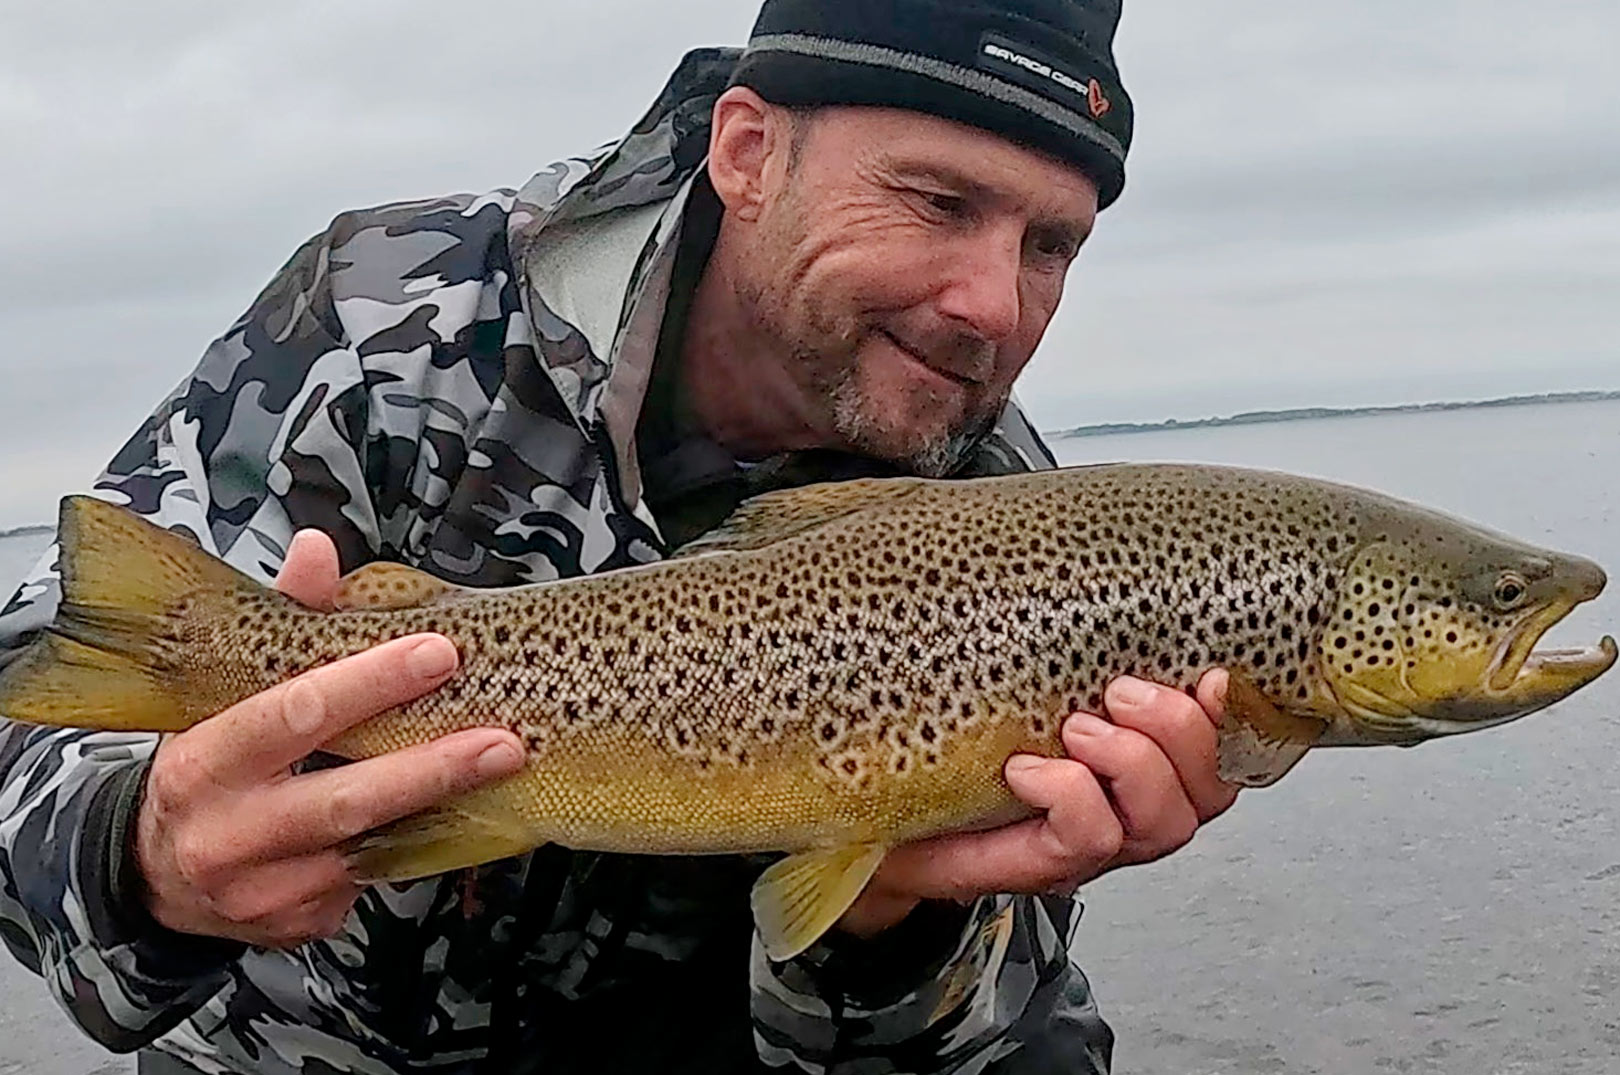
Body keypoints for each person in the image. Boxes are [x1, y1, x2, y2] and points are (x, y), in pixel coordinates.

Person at [0, 1, 1239, 1072]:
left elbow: (969, 1043)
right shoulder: (392, 325)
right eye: (938, 202)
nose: (993, 304)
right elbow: (27, 709)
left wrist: (896, 923)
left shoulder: (1030, 535)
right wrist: (142, 854)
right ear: (748, 154)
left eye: (1050, 246)